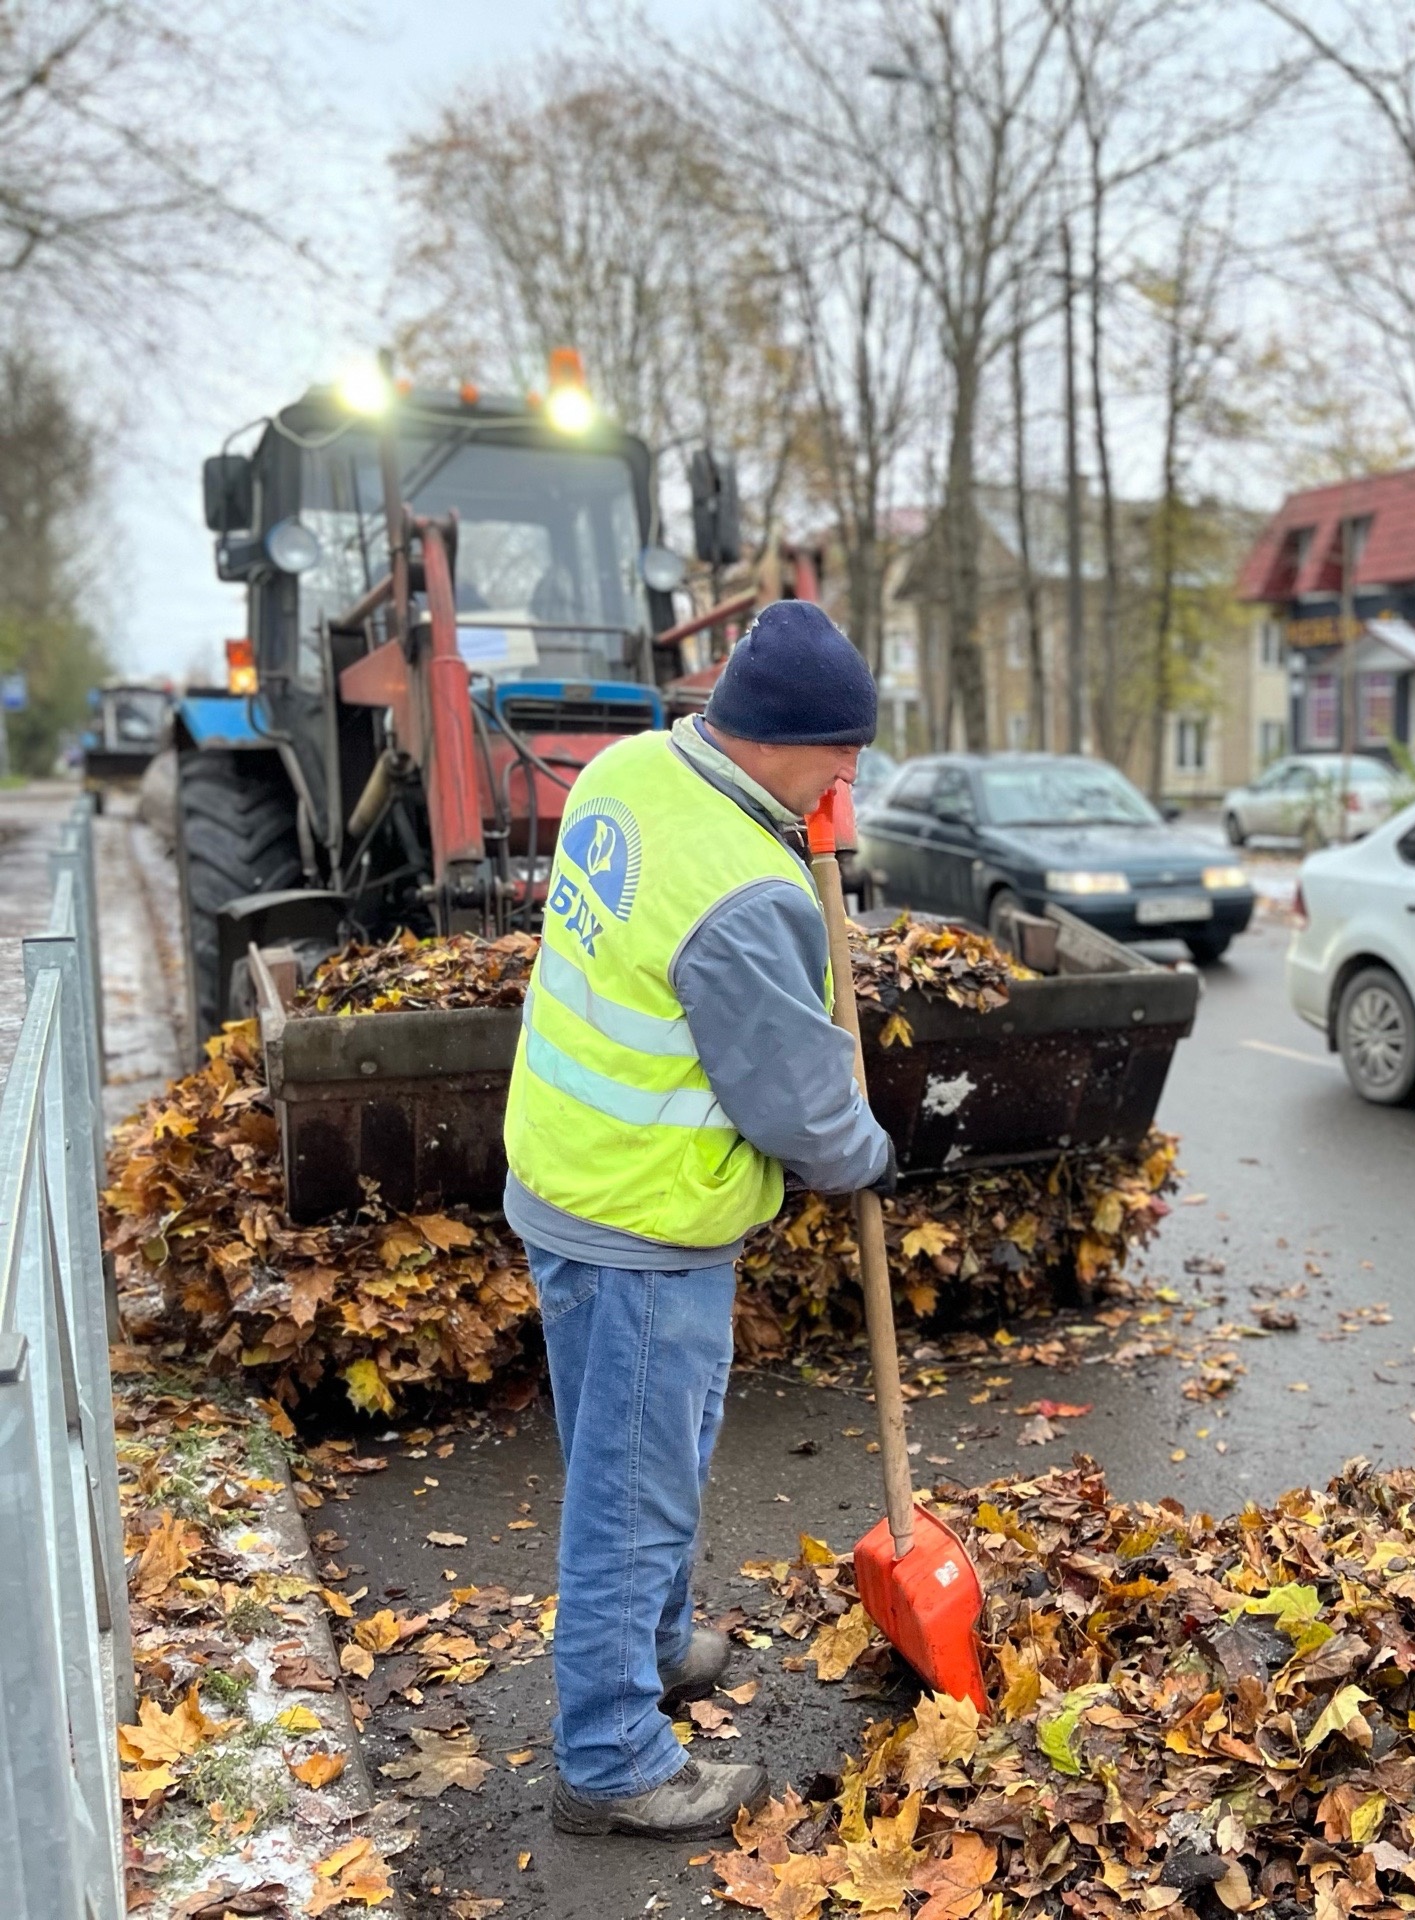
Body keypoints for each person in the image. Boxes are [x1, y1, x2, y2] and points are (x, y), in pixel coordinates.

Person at [503, 600, 895, 1839]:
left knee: (638, 1460)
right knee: (631, 1491)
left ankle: (661, 1642)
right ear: (784, 742)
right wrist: (872, 1152)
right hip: (640, 1226)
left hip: (568, 1182)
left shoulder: (627, 771)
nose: (849, 775)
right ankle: (611, 1758)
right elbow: (799, 1109)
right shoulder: (745, 890)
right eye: (843, 752)